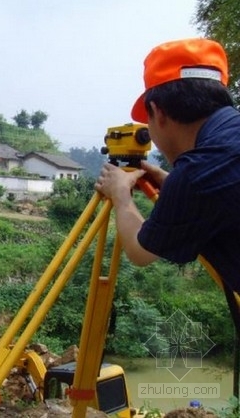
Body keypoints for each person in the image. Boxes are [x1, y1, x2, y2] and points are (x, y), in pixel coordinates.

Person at [94, 38, 240, 296]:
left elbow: (142, 252)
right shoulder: (219, 156)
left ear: (156, 111)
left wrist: (121, 196)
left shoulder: (198, 174)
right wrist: (172, 183)